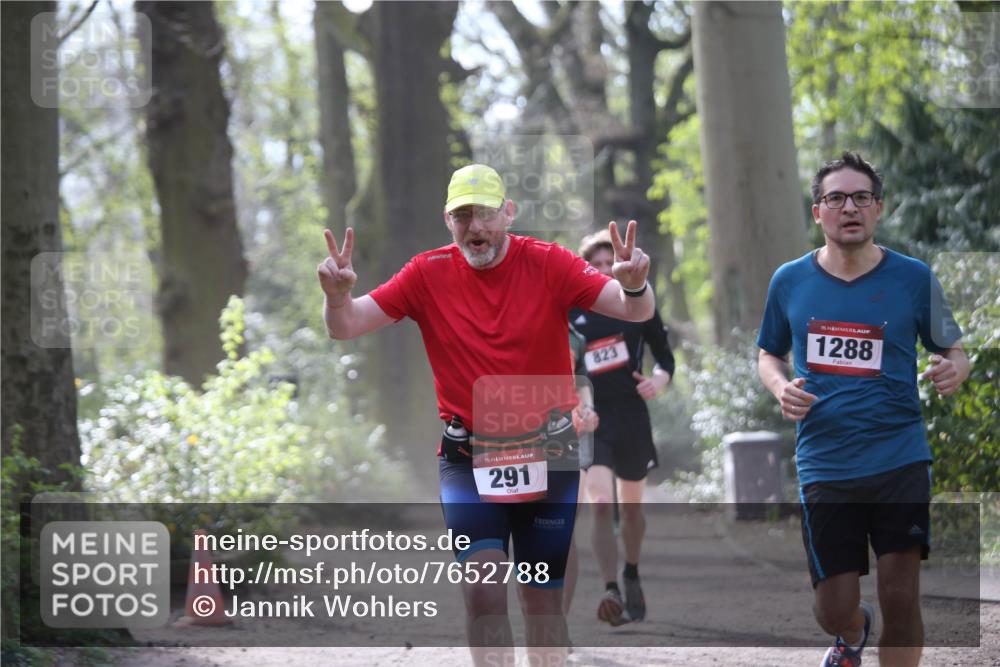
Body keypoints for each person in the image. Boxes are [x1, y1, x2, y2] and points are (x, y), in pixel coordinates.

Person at [317, 163, 654, 667]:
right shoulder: (425, 273)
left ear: (509, 213)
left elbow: (634, 311)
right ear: (447, 222)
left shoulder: (549, 262)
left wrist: (632, 285)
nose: (476, 228)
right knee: (483, 589)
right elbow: (346, 327)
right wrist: (337, 297)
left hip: (548, 451)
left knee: (540, 601)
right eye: (463, 216)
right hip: (468, 454)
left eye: (487, 214)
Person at [756, 152, 969, 667]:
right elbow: (768, 353)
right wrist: (780, 386)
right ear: (817, 211)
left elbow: (953, 350)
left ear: (878, 209)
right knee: (834, 609)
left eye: (861, 197)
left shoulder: (914, 278)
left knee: (902, 598)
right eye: (835, 198)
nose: (848, 207)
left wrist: (954, 369)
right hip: (826, 463)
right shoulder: (789, 281)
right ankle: (853, 632)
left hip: (899, 457)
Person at [567, 229, 675, 626]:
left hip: (632, 416)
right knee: (599, 501)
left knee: (631, 511)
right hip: (592, 419)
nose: (601, 269)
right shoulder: (573, 314)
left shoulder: (638, 307)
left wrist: (657, 382)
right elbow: (567, 370)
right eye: (593, 264)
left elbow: (666, 360)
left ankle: (630, 570)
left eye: (608, 262)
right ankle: (610, 588)